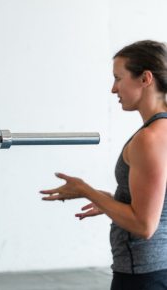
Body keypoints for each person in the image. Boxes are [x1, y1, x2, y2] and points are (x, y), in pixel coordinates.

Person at [40, 40, 167, 290]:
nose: (113, 88)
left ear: (145, 78)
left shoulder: (148, 138)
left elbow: (144, 226)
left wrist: (86, 190)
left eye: (119, 78)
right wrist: (110, 201)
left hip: (143, 274)